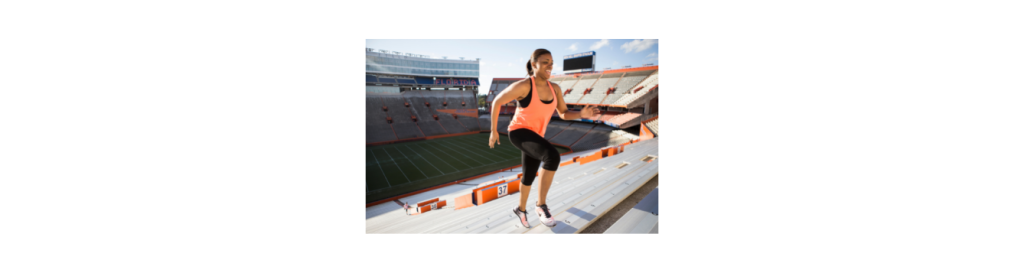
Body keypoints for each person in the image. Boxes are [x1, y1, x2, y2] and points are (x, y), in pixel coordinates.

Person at [488, 49, 597, 228]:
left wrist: (581, 114)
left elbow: (563, 113)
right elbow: (497, 101)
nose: (550, 66)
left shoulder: (555, 88)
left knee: (529, 174)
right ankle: (541, 205)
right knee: (552, 156)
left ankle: (520, 209)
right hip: (518, 132)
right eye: (545, 62)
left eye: (552, 62)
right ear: (534, 64)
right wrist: (493, 130)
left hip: (536, 135)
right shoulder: (524, 85)